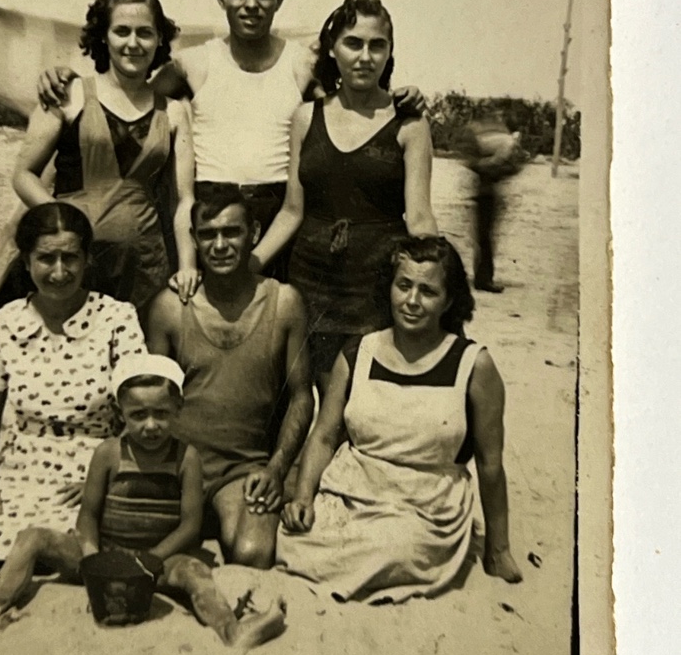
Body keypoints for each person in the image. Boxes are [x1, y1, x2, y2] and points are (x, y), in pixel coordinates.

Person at [36, 0, 426, 267]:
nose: (251, 3)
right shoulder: (193, 62)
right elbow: (126, 97)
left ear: (279, 0)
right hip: (211, 210)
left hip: (279, 213)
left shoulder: (302, 64)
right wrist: (63, 75)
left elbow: (349, 112)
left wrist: (400, 96)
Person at [0, 354, 287, 650]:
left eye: (161, 414)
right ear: (121, 413)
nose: (150, 425)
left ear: (178, 407)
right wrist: (91, 557)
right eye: (138, 415)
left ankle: (231, 630)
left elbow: (190, 526)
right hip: (109, 554)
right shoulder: (109, 454)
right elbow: (88, 514)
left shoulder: (187, 458)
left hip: (159, 559)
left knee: (197, 574)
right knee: (32, 538)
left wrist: (152, 560)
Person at [276, 235, 522, 603]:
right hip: (352, 489)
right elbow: (325, 436)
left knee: (395, 546)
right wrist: (304, 498)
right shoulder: (360, 352)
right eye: (403, 285)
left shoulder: (473, 366)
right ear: (388, 288)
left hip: (425, 504)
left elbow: (489, 463)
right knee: (291, 536)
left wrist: (498, 549)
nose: (412, 301)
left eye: (428, 291)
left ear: (449, 300)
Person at [0, 0, 198, 344]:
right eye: (122, 31)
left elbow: (183, 202)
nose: (133, 43)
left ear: (159, 39)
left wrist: (188, 265)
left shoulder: (174, 111)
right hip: (68, 264)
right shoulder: (68, 95)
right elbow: (24, 174)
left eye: (145, 33)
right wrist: (63, 225)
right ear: (103, 36)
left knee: (132, 375)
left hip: (141, 269)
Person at [251, 0, 438, 388]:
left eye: (377, 45)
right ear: (333, 50)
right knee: (311, 389)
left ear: (390, 53)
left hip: (375, 281)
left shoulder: (410, 125)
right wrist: (251, 263)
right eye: (353, 43)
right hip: (311, 278)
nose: (365, 56)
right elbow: (291, 211)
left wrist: (436, 285)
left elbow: (420, 217)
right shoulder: (305, 117)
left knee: (360, 395)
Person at [0, 202, 147, 566]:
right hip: (23, 468)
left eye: (70, 258)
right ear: (25, 261)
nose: (58, 272)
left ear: (87, 260)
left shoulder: (118, 319)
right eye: (45, 259)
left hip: (97, 467)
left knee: (81, 537)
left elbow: (141, 413)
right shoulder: (2, 324)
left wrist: (107, 480)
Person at [147, 188, 314, 568]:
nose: (219, 245)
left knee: (252, 553)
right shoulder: (171, 308)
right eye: (208, 234)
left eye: (231, 232)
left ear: (254, 233)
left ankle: (215, 517)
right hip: (175, 464)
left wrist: (275, 469)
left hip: (242, 470)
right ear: (194, 239)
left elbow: (303, 396)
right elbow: (152, 399)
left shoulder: (285, 303)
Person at [459, 116, 524, 293]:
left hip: (484, 191)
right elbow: (494, 165)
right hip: (487, 193)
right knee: (485, 238)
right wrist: (493, 166)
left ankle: (482, 277)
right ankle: (483, 279)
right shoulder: (507, 144)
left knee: (483, 237)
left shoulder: (492, 141)